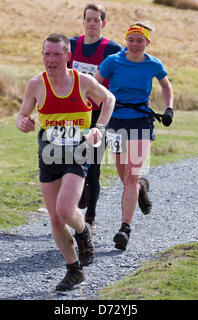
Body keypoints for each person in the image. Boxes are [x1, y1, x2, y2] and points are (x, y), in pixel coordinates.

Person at [16, 34, 115, 291]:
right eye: (47, 54)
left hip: (78, 149)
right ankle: (74, 270)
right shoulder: (36, 84)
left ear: (68, 56)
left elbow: (109, 99)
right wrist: (22, 122)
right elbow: (23, 113)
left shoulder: (82, 81)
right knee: (55, 219)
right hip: (48, 151)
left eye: (56, 54)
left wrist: (99, 128)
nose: (51, 59)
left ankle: (83, 231)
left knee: (64, 208)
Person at [95, 23, 174, 251]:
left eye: (140, 40)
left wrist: (169, 109)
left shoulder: (153, 64)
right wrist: (97, 109)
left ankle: (124, 230)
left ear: (147, 43)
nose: (135, 44)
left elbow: (166, 87)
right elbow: (94, 83)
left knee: (130, 177)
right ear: (126, 41)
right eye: (131, 39)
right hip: (116, 121)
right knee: (125, 178)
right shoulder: (113, 61)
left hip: (141, 120)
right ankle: (141, 189)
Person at [68, 3, 121, 234]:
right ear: (83, 21)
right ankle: (78, 196)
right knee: (70, 162)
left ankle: (90, 218)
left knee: (94, 167)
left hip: (98, 115)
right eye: (88, 19)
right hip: (74, 115)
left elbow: (117, 81)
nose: (91, 24)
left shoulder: (111, 49)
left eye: (96, 20)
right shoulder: (71, 45)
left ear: (103, 23)